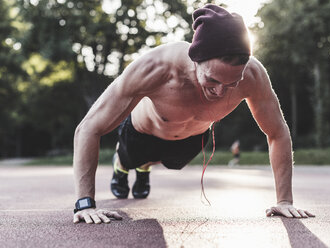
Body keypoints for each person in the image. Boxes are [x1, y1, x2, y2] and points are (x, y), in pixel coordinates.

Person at [72, 4, 315, 224]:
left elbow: (277, 132)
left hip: (190, 139)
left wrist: (284, 201)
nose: (220, 92)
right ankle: (124, 164)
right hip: (141, 133)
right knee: (131, 159)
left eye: (231, 83)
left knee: (173, 163)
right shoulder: (154, 68)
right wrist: (85, 204)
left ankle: (145, 167)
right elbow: (88, 128)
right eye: (212, 79)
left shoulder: (252, 76)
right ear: (195, 58)